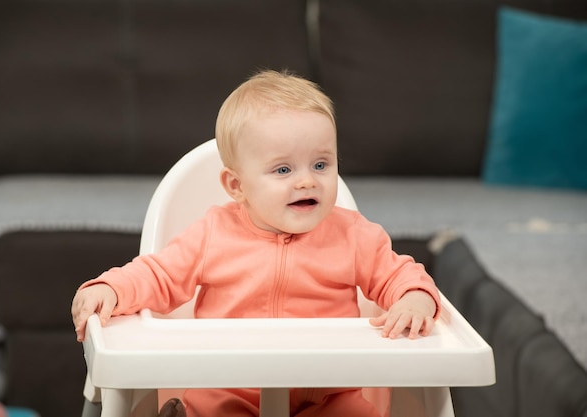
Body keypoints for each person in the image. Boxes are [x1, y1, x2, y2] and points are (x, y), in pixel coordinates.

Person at [71, 70, 441, 417]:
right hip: (229, 388)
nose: (307, 181)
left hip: (329, 393)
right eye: (283, 170)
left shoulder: (353, 235)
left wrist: (414, 298)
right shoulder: (213, 233)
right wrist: (112, 288)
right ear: (237, 186)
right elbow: (157, 274)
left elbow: (399, 273)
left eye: (321, 164)